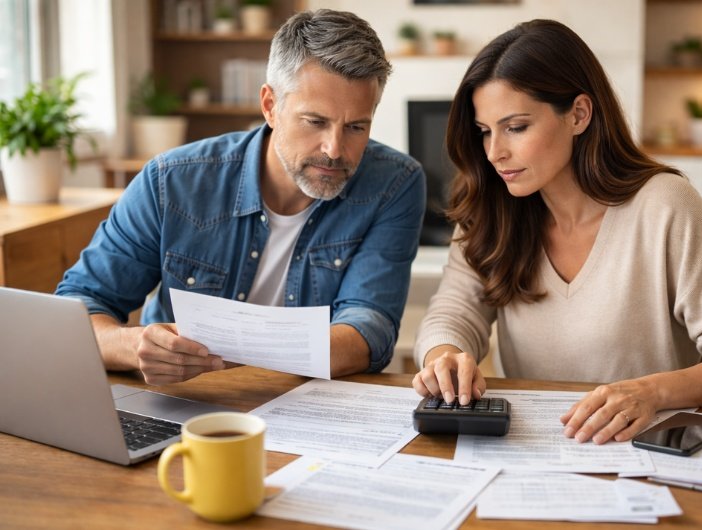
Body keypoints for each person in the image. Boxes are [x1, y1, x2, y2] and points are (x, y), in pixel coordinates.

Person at [411, 19, 702, 445]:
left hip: (649, 456)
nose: (495, 152)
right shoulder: (490, 212)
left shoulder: (665, 205)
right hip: (537, 451)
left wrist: (652, 391)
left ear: (579, 114)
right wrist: (445, 358)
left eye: (516, 127)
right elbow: (453, 315)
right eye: (484, 131)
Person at [56, 10, 425, 386]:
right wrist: (135, 345)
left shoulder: (395, 183)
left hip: (310, 409)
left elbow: (368, 329)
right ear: (269, 106)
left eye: (356, 127)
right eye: (315, 122)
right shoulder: (171, 181)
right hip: (184, 400)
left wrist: (232, 346)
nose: (333, 149)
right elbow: (79, 308)